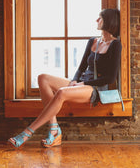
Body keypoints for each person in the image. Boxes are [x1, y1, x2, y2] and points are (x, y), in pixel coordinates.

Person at [8, 8, 122, 148]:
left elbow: (110, 78)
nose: (97, 20)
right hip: (81, 83)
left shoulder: (115, 45)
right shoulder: (93, 41)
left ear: (109, 21)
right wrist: (74, 80)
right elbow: (81, 67)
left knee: (62, 92)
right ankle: (54, 128)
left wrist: (83, 83)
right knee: (43, 78)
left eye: (100, 18)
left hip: (95, 88)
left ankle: (27, 132)